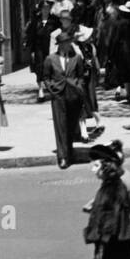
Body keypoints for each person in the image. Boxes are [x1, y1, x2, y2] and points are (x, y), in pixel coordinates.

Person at [43, 30, 89, 169]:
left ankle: (69, 152)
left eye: (68, 43)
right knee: (60, 126)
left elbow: (81, 76)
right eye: (64, 43)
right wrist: (52, 90)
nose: (66, 45)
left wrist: (79, 87)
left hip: (74, 95)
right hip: (58, 95)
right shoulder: (51, 59)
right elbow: (46, 77)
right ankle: (62, 157)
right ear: (59, 45)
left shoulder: (77, 58)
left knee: (71, 126)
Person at [75, 25, 105, 138]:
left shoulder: (89, 47)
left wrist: (98, 72)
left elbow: (95, 59)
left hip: (88, 76)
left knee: (89, 99)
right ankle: (90, 126)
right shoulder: (79, 48)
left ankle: (96, 123)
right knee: (85, 100)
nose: (91, 38)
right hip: (83, 75)